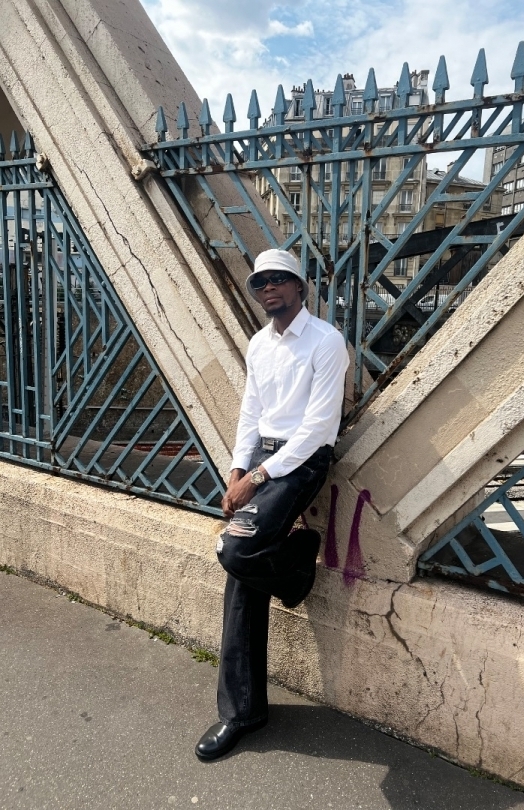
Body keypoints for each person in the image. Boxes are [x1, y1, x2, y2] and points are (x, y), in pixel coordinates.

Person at [195, 248, 350, 761]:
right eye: (260, 282)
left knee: (236, 552)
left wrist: (259, 476)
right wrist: (237, 470)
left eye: (279, 279)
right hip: (262, 457)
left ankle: (298, 566)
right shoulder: (258, 344)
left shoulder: (325, 340)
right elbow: (251, 413)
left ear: (299, 286)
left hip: (302, 460)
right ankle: (242, 711)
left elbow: (319, 427)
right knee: (240, 577)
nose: (268, 288)